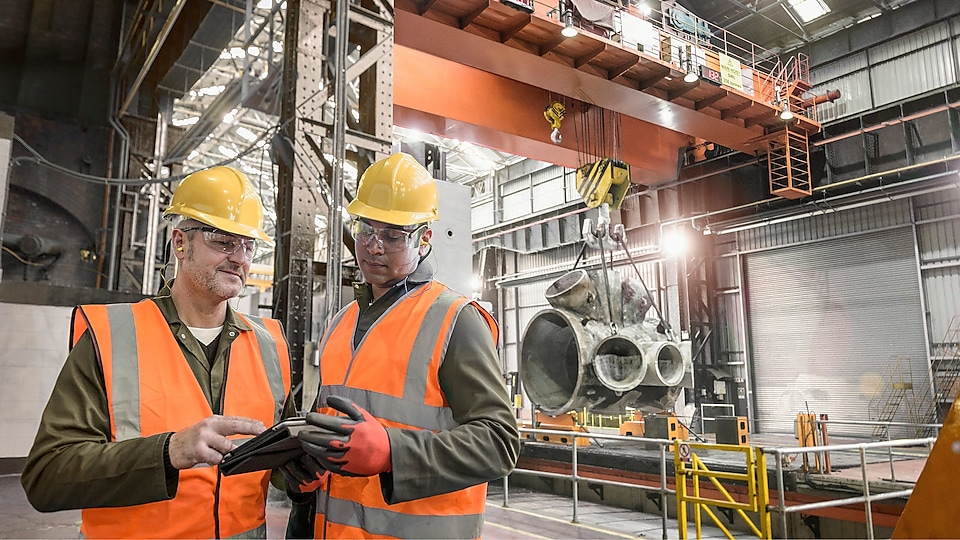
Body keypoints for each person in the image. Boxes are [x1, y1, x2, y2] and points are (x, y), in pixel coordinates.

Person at [21, 166, 297, 538]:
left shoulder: (270, 344)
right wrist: (168, 452)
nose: (239, 258)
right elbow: (47, 475)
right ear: (180, 242)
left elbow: (280, 461)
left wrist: (305, 468)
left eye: (248, 245)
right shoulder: (113, 338)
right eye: (222, 241)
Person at [289, 152, 521, 539]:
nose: (374, 247)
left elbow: (499, 442)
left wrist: (393, 453)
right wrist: (306, 472)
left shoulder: (455, 320)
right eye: (366, 231)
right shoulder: (341, 323)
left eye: (393, 236)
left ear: (425, 238)